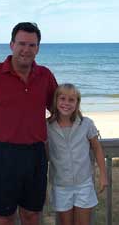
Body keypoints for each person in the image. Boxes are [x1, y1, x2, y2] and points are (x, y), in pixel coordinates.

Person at [0, 22, 57, 225]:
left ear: (38, 48)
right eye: (22, 43)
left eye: (32, 45)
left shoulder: (44, 75)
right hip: (2, 155)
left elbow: (61, 111)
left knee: (32, 215)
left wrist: (80, 134)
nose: (26, 50)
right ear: (11, 45)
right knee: (5, 217)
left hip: (36, 154)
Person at [47, 83, 108, 225]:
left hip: (84, 184)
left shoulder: (86, 124)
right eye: (62, 99)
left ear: (77, 103)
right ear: (56, 101)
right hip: (60, 185)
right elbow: (44, 156)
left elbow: (97, 149)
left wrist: (103, 175)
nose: (66, 103)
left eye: (71, 100)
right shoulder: (48, 126)